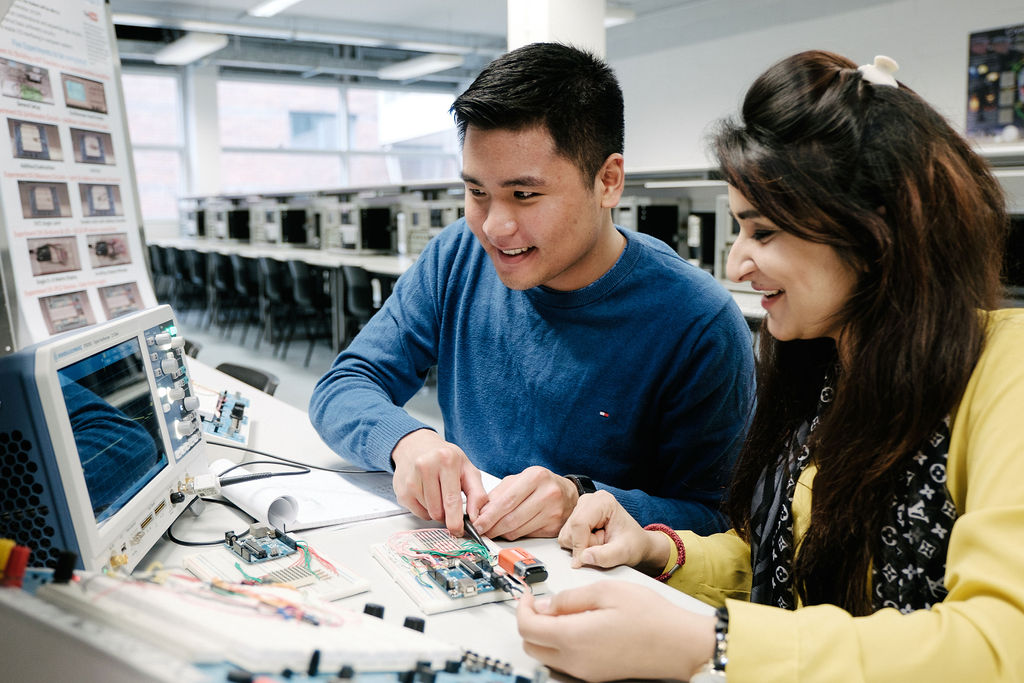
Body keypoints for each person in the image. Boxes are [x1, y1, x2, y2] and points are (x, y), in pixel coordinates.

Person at [516, 50, 1024, 682]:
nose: (735, 266)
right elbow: (784, 561)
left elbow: (1001, 644)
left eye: (763, 233)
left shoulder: (1007, 371)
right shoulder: (826, 360)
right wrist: (657, 550)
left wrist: (713, 643)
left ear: (872, 232)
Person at [309, 42, 755, 540]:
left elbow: (720, 524)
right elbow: (344, 385)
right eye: (477, 192)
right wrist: (406, 440)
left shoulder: (697, 321)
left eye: (524, 195)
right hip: (467, 558)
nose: (494, 227)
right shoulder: (457, 254)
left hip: (603, 592)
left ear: (608, 181)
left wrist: (581, 501)